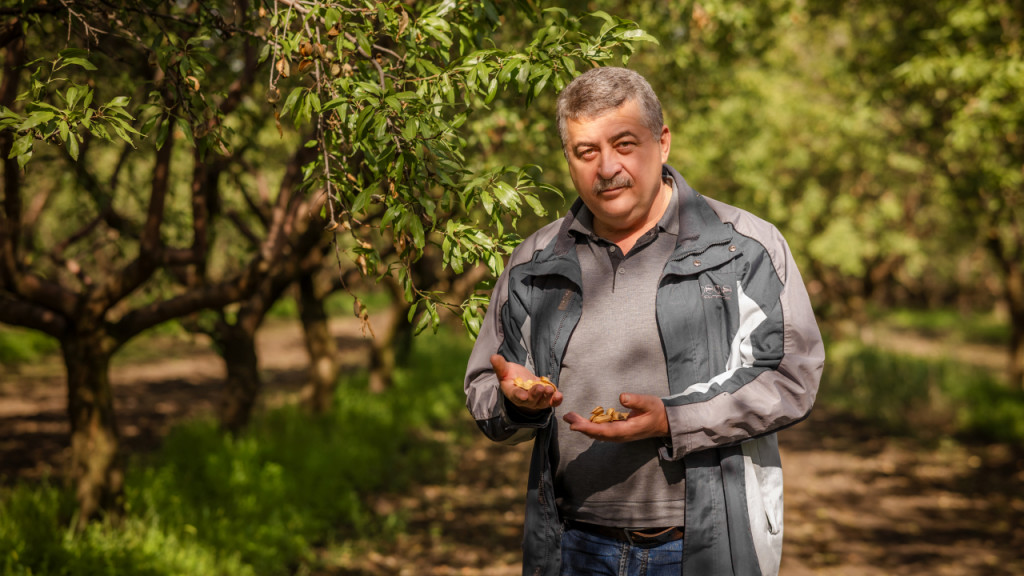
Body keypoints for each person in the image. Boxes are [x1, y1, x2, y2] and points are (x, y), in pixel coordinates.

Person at [463, 67, 824, 576]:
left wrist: (674, 420)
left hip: (704, 542)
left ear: (663, 141)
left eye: (624, 143)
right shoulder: (536, 261)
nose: (606, 167)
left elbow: (791, 376)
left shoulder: (744, 246)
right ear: (569, 159)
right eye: (586, 152)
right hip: (572, 542)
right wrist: (514, 401)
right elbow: (485, 385)